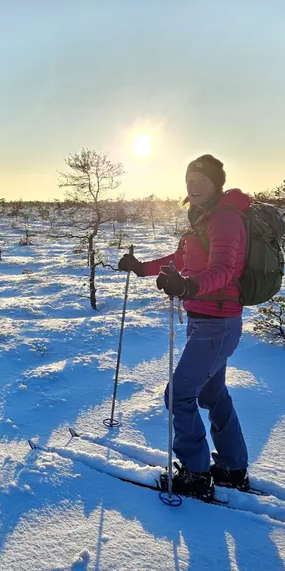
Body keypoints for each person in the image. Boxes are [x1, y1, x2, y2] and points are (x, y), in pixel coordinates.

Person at [118, 154, 251, 499]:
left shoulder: (224, 220)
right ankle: (232, 467)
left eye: (200, 181)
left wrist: (189, 287)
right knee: (211, 392)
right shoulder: (203, 220)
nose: (192, 187)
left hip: (218, 324)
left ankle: (195, 473)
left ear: (216, 184)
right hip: (204, 321)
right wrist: (142, 268)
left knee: (178, 394)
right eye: (189, 181)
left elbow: (223, 270)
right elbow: (179, 261)